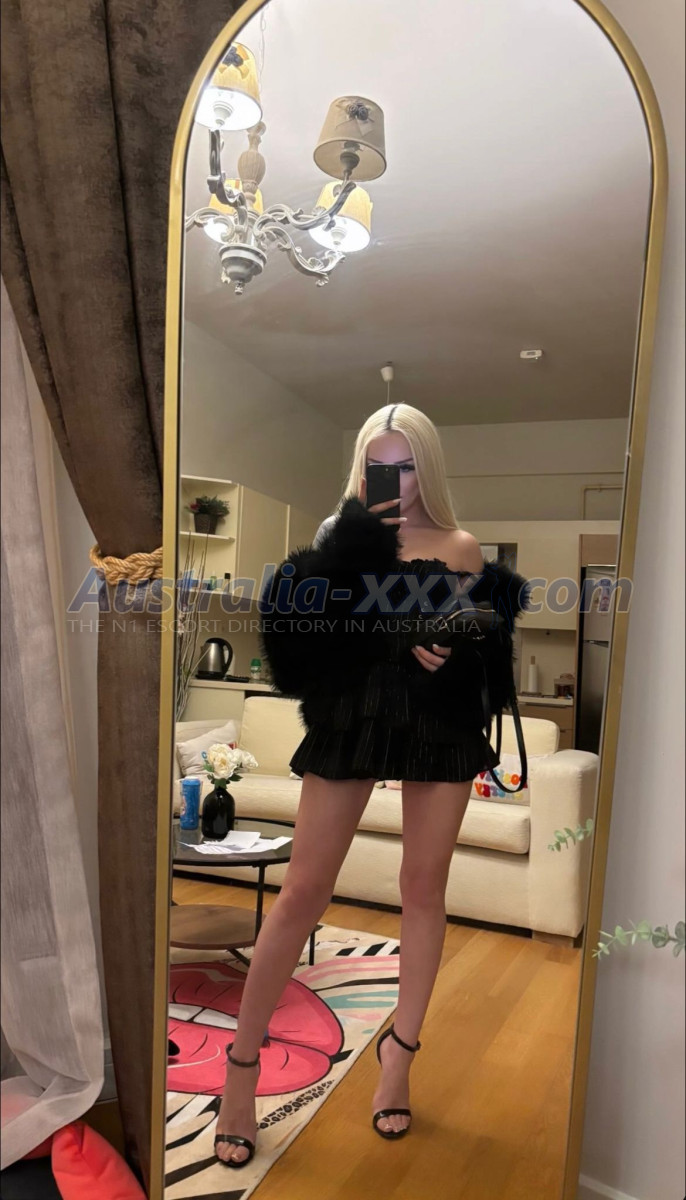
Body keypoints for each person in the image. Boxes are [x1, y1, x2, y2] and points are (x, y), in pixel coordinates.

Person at [213, 404, 530, 1166]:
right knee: (302, 892)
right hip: (353, 714)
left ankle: (399, 1056)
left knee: (423, 889)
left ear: (429, 467)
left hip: (437, 722)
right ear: (359, 468)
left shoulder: (459, 545)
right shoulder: (339, 539)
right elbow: (304, 647)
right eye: (376, 465)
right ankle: (240, 1070)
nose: (392, 480)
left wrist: (455, 645)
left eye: (406, 464)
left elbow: (485, 652)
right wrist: (370, 593)